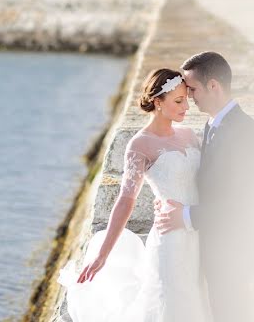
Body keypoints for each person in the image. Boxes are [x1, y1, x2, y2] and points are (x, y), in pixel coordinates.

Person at [59, 68, 211, 322]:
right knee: (173, 304)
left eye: (186, 98)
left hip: (198, 232)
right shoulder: (140, 145)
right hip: (170, 242)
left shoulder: (188, 135)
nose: (186, 106)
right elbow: (126, 200)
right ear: (157, 102)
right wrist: (102, 254)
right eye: (177, 101)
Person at [155, 51, 254, 322]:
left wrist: (185, 216)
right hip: (212, 246)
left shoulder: (245, 133)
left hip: (233, 249)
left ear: (213, 86)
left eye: (192, 89)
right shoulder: (212, 125)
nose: (190, 97)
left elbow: (241, 204)